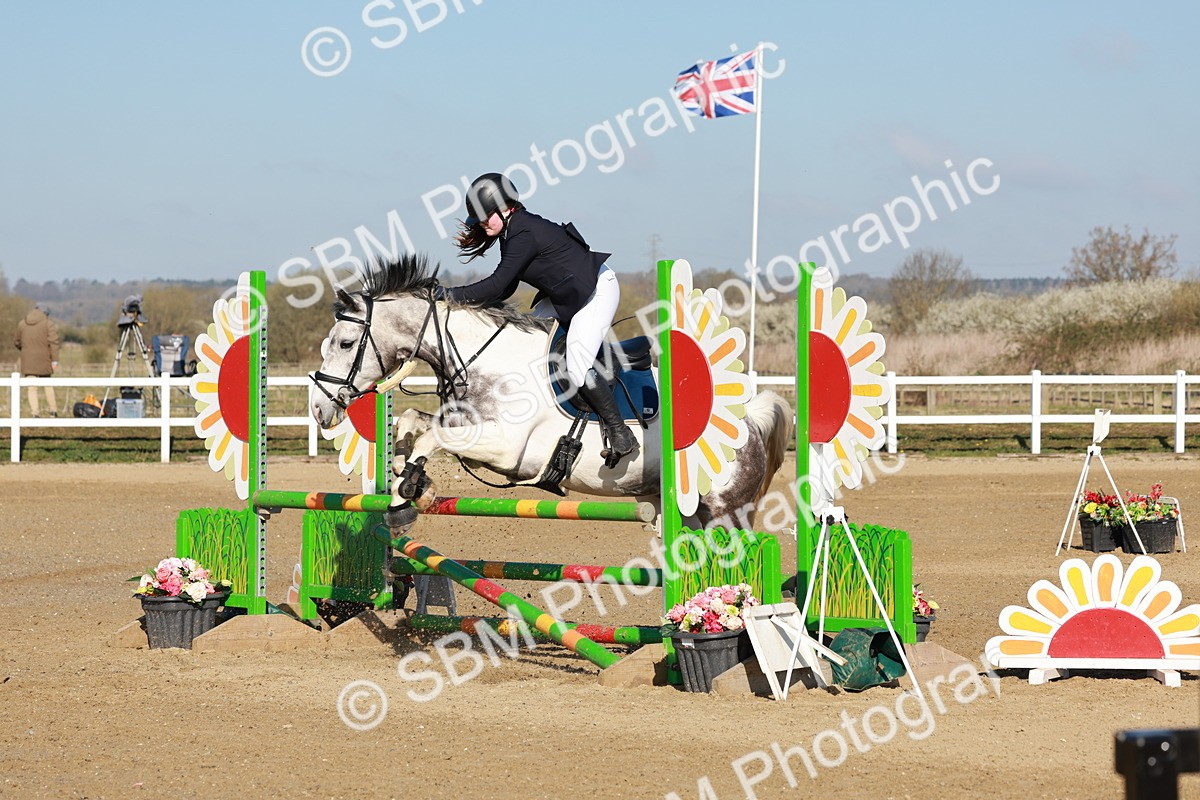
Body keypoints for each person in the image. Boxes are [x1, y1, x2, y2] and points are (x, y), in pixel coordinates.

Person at [445, 172, 637, 467]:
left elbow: (498, 285)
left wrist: (450, 295)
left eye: (485, 218)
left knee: (577, 363)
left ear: (507, 207)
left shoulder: (522, 233)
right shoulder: (511, 232)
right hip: (566, 296)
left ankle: (620, 432)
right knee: (523, 343)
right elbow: (507, 288)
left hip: (596, 291)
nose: (482, 225)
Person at [15, 302, 60, 417]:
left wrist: (25, 350)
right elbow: (54, 343)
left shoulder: (22, 324)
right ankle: (53, 411)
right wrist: (55, 360)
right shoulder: (48, 324)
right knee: (47, 385)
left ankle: (35, 414)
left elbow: (17, 342)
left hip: (27, 360)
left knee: (32, 388)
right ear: (45, 313)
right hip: (44, 359)